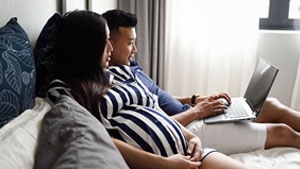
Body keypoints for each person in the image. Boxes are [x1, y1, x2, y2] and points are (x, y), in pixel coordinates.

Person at [45, 10, 252, 169]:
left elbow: (156, 111)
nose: (110, 47)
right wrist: (165, 164)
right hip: (161, 164)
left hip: (190, 153)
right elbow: (100, 137)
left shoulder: (121, 73)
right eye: (105, 40)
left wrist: (192, 138)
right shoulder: (65, 92)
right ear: (86, 45)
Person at [102, 9, 300, 155]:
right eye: (129, 43)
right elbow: (155, 122)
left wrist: (196, 99)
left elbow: (158, 97)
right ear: (109, 43)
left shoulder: (131, 67)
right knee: (282, 132)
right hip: (186, 128)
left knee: (271, 105)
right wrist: (197, 111)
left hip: (193, 113)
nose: (135, 49)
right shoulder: (113, 84)